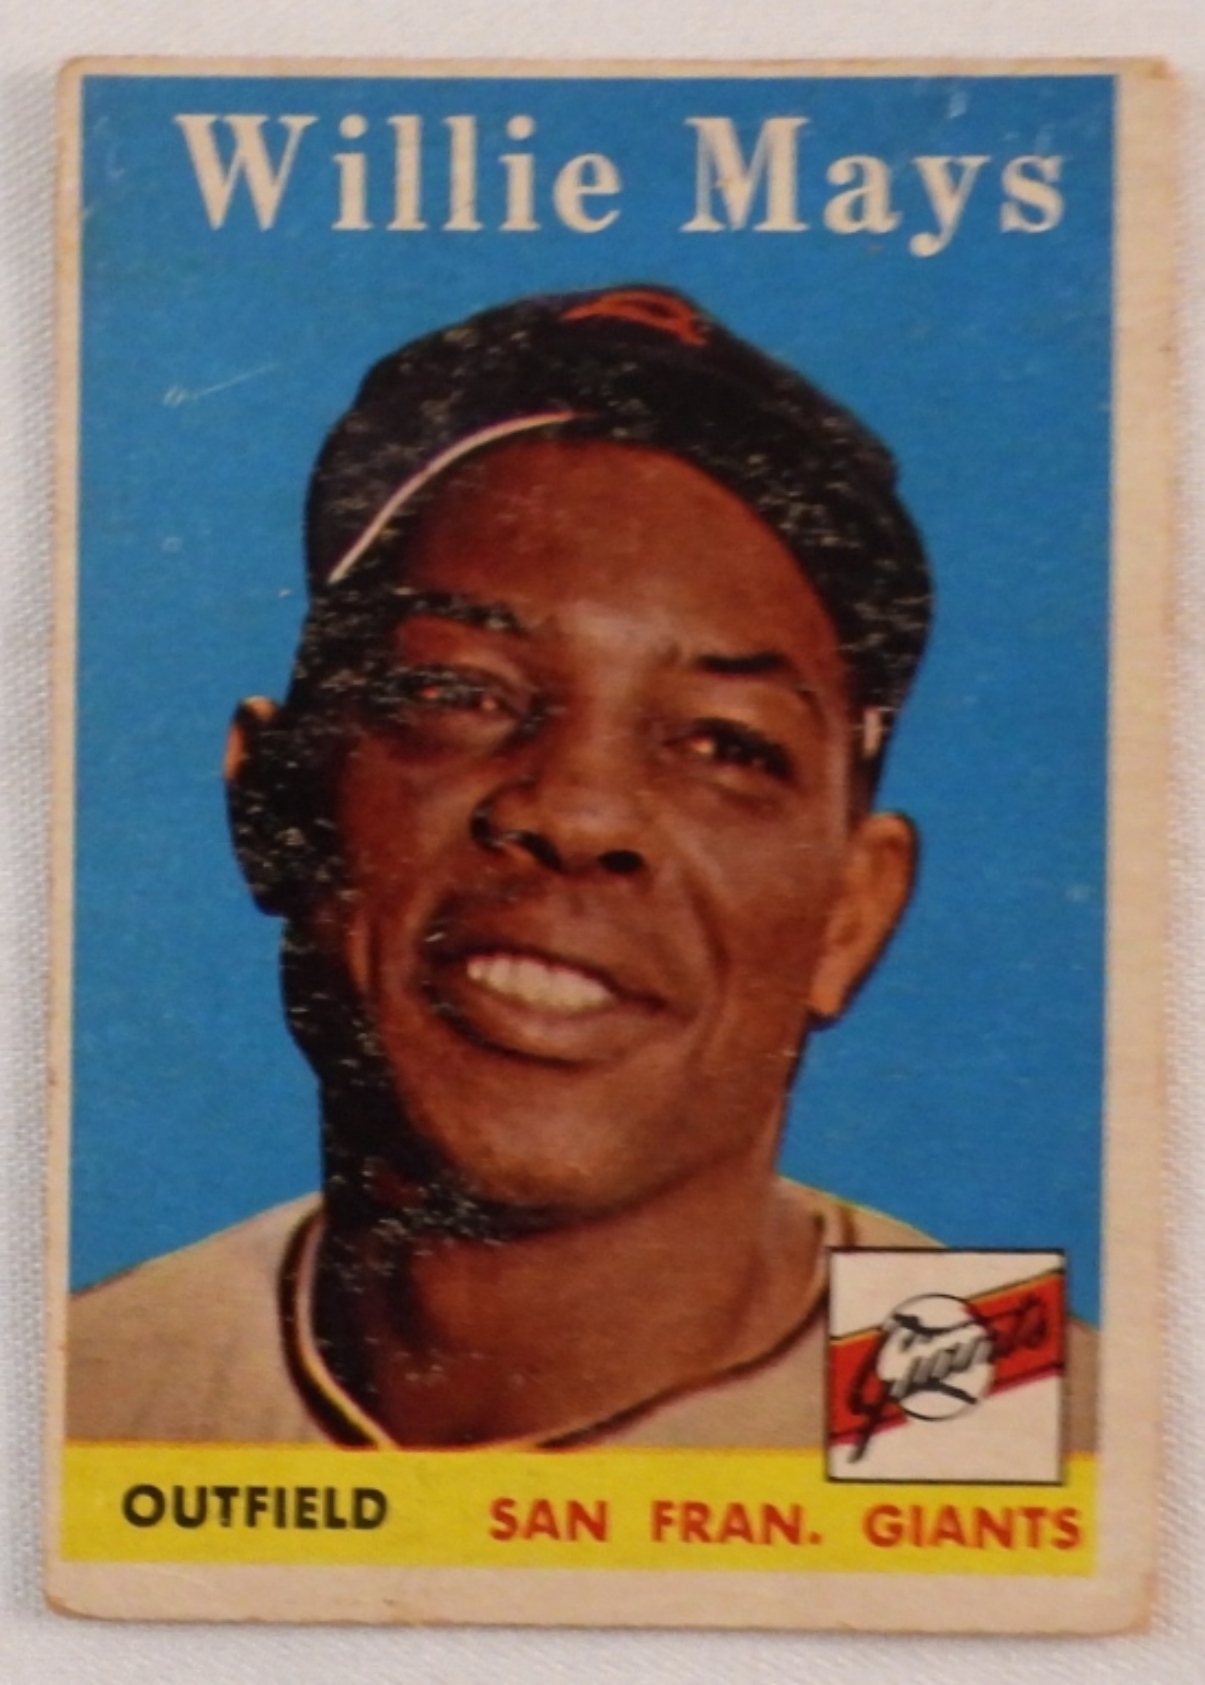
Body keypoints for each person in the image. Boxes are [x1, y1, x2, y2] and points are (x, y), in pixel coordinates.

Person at [67, 284, 1094, 1450]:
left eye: (723, 743)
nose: (577, 810)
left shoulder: (1017, 1424)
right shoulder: (83, 1401)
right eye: (458, 691)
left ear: (850, 915)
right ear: (272, 802)